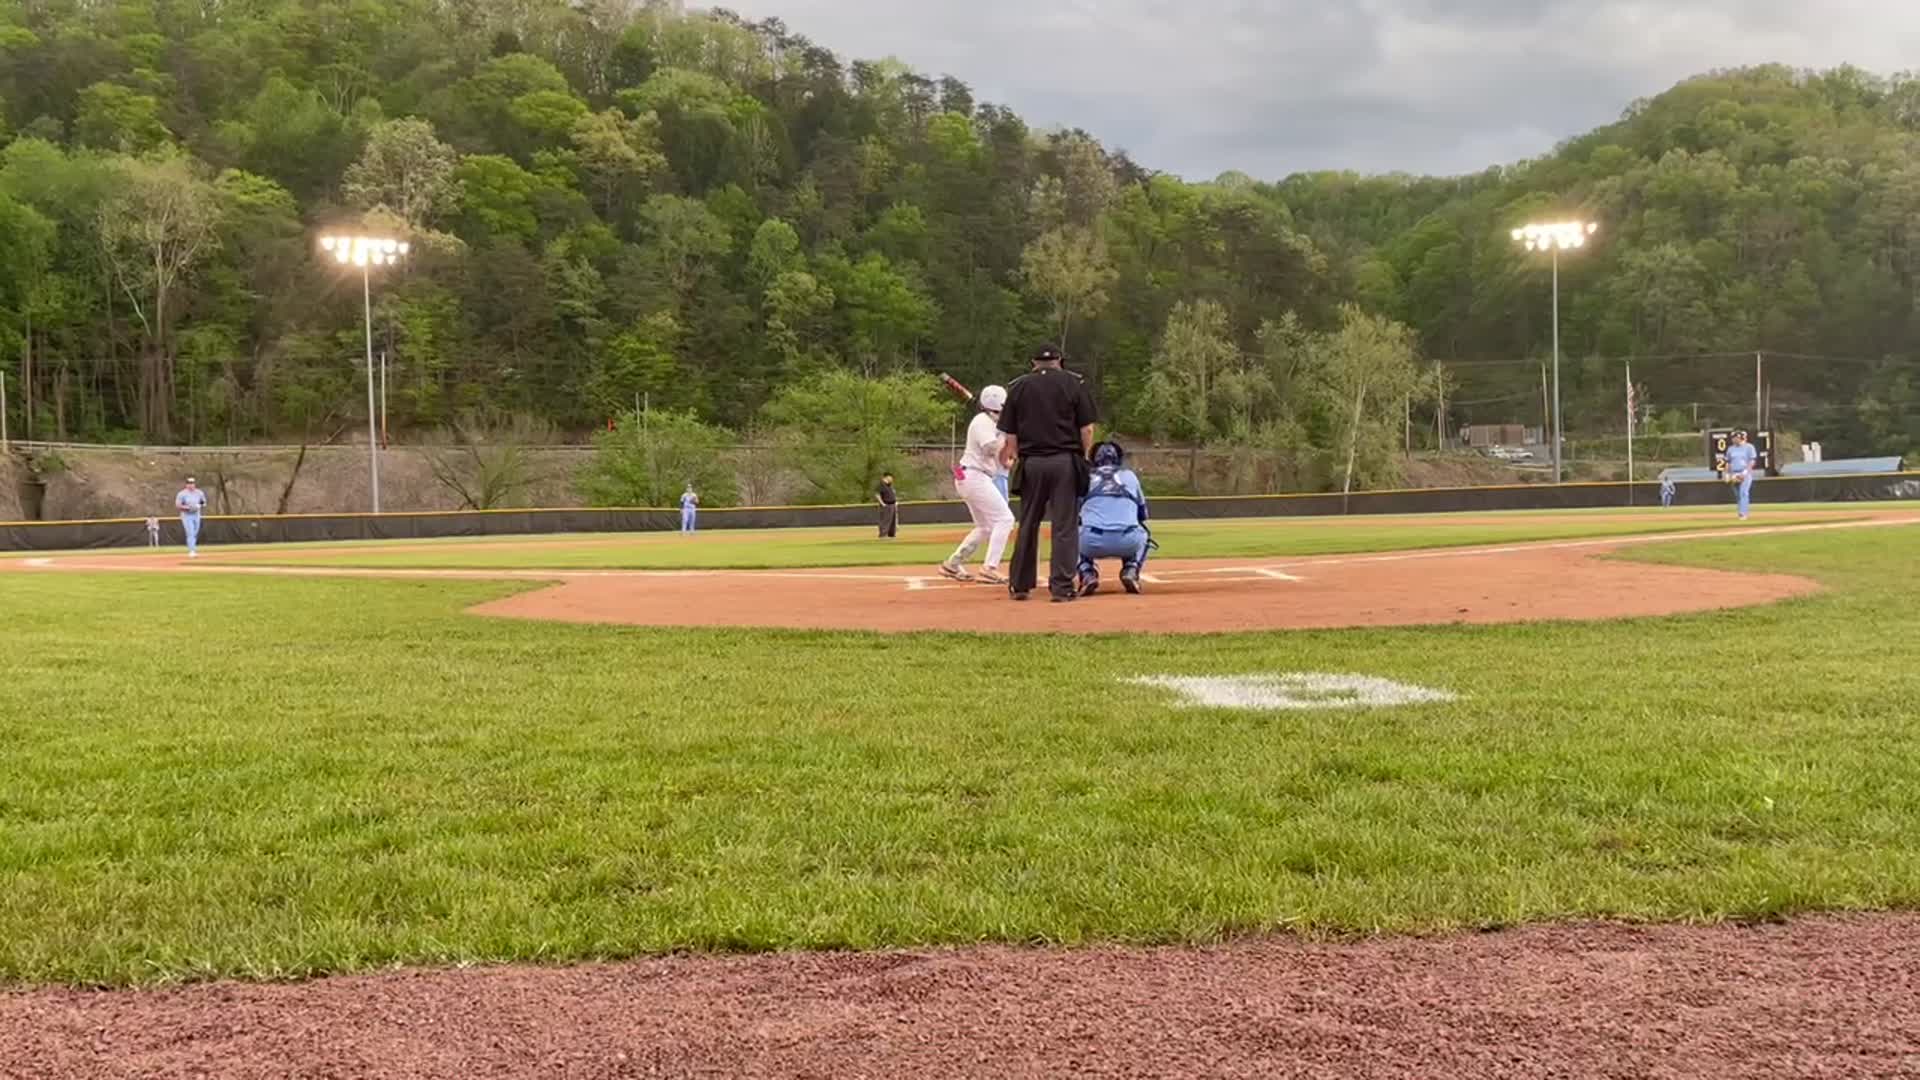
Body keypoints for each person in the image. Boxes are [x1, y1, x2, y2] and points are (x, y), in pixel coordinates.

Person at [998, 345, 1097, 602]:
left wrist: (1018, 456)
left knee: (1028, 523)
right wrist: (1084, 457)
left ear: (1033, 362)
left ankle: (1019, 585)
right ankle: (1062, 587)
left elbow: (1010, 435)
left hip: (1032, 463)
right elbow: (1086, 428)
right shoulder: (1074, 384)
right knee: (1064, 525)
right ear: (1059, 361)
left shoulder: (1019, 387)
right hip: (1064, 460)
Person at [939, 385, 1015, 585]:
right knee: (1005, 519)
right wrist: (1004, 434)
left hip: (974, 476)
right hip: (973, 475)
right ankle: (990, 567)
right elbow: (990, 448)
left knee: (985, 527)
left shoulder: (991, 422)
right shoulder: (982, 421)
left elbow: (999, 456)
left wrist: (1004, 433)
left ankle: (953, 563)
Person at [1075, 441, 1151, 596]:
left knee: (1068, 534)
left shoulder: (1085, 477)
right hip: (1128, 542)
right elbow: (1143, 515)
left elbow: (1073, 514)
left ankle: (1087, 573)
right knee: (1144, 533)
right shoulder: (1130, 476)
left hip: (1091, 542)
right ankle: (1131, 569)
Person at [1726, 429, 1758, 520]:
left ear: (1740, 438)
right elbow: (1728, 462)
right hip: (1734, 473)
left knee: (1744, 492)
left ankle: (1743, 513)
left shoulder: (1749, 447)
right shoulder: (1730, 449)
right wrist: (1727, 474)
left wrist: (1745, 472)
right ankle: (1741, 511)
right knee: (1737, 495)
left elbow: (1752, 461)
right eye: (1733, 438)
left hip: (1745, 473)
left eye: (1735, 438)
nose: (1733, 440)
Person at [175, 476, 208, 558]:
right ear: (186, 485)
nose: (191, 485)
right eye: (189, 483)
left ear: (194, 484)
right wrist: (188, 507)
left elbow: (203, 502)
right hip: (187, 515)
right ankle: (192, 551)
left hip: (196, 514)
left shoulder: (199, 493)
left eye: (192, 483)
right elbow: (178, 505)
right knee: (190, 533)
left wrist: (199, 505)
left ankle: (193, 549)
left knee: (195, 533)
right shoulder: (182, 494)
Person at [876, 472, 899, 539]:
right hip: (886, 505)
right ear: (886, 477)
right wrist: (882, 503)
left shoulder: (889, 485)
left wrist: (895, 502)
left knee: (892, 521)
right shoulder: (881, 484)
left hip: (892, 505)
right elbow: (877, 494)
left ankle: (891, 534)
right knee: (885, 520)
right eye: (890, 477)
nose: (892, 479)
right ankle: (883, 535)